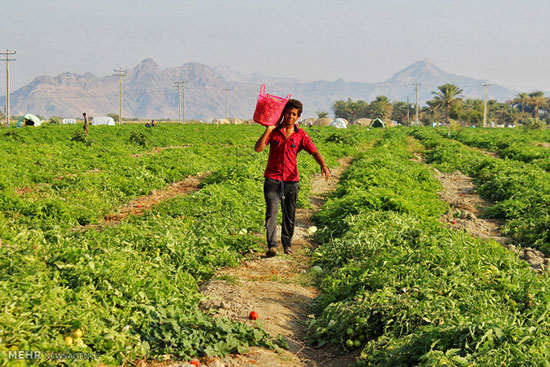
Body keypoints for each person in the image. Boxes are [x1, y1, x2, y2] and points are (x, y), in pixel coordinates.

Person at [255, 99, 330, 257]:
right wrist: (268, 129)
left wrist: (323, 165)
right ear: (283, 113)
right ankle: (272, 246)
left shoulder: (301, 135)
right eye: (288, 113)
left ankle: (287, 245)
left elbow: (314, 151)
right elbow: (258, 148)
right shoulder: (274, 132)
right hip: (272, 179)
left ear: (298, 117)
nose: (290, 116)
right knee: (272, 213)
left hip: (291, 180)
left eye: (294, 114)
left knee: (289, 214)